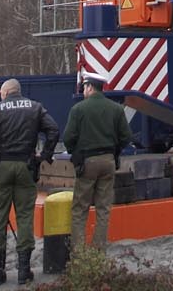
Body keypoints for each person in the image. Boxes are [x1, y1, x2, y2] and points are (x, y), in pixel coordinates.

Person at [0, 79, 62, 284]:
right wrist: (45, 155)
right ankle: (24, 271)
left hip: (2, 167)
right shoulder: (35, 107)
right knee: (25, 217)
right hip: (26, 166)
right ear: (18, 92)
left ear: (4, 93)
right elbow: (54, 130)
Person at [60, 75, 130, 254]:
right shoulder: (116, 109)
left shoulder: (78, 109)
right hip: (108, 161)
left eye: (84, 88)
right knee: (103, 208)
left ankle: (79, 254)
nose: (83, 91)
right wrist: (114, 151)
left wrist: (75, 153)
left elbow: (68, 137)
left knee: (79, 209)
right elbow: (126, 137)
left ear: (90, 87)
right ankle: (99, 252)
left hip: (87, 162)